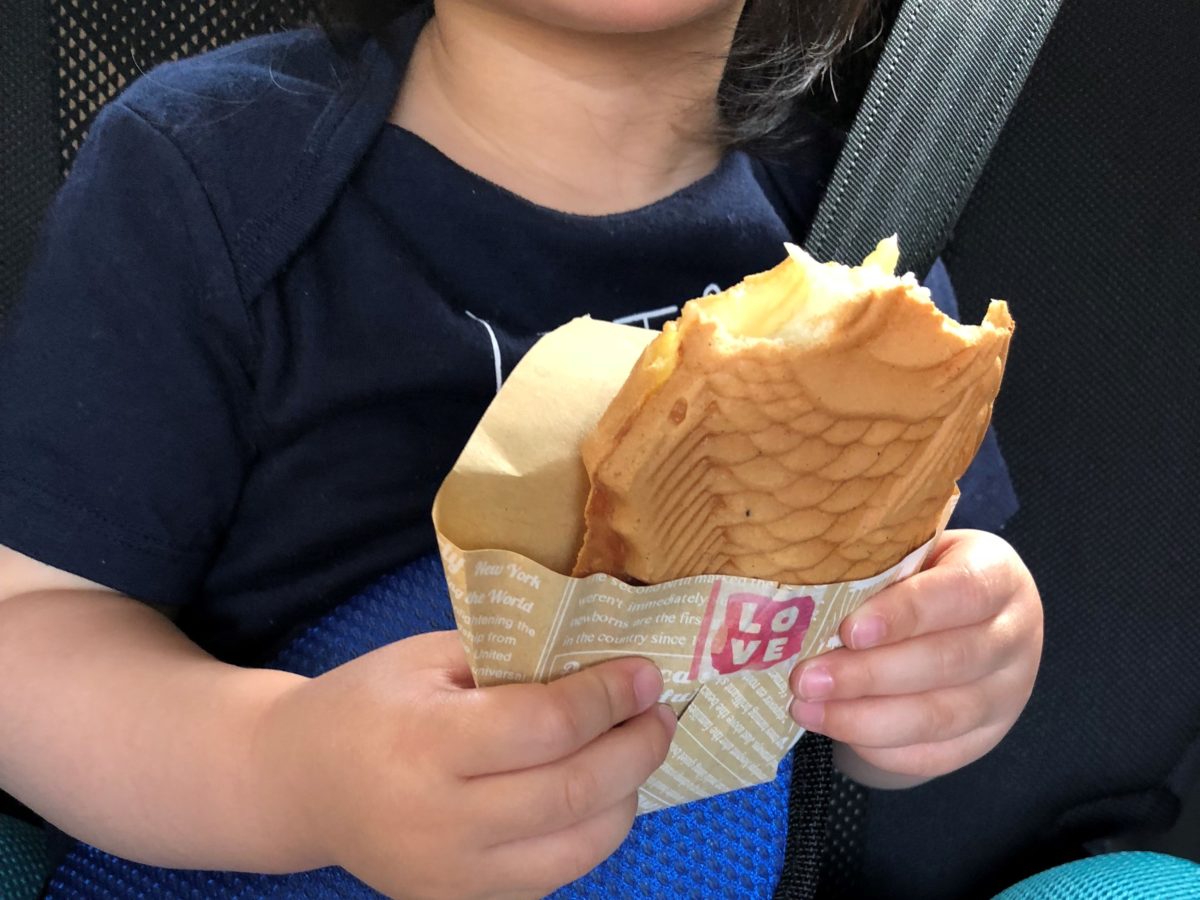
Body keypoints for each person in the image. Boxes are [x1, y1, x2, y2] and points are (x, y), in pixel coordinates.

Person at [0, 0, 1043, 897]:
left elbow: (893, 634)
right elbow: (31, 633)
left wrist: (947, 671)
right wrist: (291, 773)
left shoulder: (867, 238)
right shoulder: (205, 172)